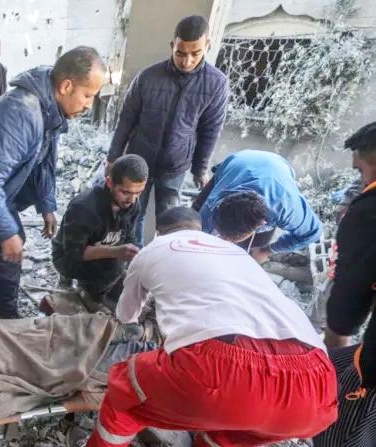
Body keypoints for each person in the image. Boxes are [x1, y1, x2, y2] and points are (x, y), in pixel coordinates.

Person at [80, 206, 337, 447]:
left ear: (159, 232)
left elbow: (126, 316)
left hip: (219, 367)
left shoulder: (152, 249)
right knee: (229, 431)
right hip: (317, 385)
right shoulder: (237, 252)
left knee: (124, 393)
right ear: (200, 229)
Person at [0, 46, 106, 319]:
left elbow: (45, 161)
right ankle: (8, 320)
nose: (89, 104)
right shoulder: (22, 113)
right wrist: (7, 233)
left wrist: (47, 205)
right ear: (66, 86)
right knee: (8, 255)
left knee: (8, 244)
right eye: (88, 95)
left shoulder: (49, 105)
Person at [107, 15, 228, 246]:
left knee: (171, 221)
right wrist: (113, 157)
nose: (187, 61)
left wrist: (200, 168)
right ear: (172, 45)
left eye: (195, 53)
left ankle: (163, 258)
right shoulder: (148, 77)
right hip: (139, 160)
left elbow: (210, 129)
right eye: (180, 53)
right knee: (132, 215)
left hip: (176, 165)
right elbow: (126, 119)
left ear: (207, 46)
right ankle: (134, 256)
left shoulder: (216, 84)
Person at [315, 122, 376, 447]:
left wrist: (328, 370)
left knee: (340, 431)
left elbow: (347, 305)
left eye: (360, 170)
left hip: (372, 375)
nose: (361, 180)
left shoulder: (368, 212)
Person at [51, 155, 146, 311]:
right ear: (109, 183)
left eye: (138, 193)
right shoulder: (84, 207)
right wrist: (115, 251)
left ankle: (93, 289)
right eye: (125, 192)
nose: (132, 199)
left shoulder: (132, 205)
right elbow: (74, 253)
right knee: (99, 291)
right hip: (68, 257)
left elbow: (129, 237)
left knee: (120, 277)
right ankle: (72, 282)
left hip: (104, 251)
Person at [194, 149, 322, 264]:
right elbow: (199, 226)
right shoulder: (217, 198)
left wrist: (266, 251)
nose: (224, 241)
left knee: (251, 252)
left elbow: (312, 233)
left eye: (230, 239)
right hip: (239, 163)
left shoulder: (287, 209)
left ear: (260, 225)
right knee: (196, 224)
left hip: (276, 168)